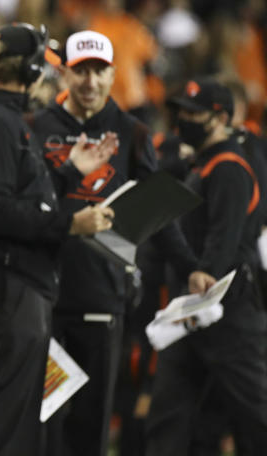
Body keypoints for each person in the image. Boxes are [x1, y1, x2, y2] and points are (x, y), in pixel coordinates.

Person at [31, 30, 213, 456]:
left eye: (99, 71)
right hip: (45, 298)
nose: (90, 82)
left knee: (92, 424)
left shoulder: (132, 134)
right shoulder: (36, 128)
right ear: (64, 74)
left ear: (114, 75)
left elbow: (158, 216)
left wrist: (189, 268)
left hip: (102, 296)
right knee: (46, 421)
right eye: (81, 72)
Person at [0, 23, 116, 456]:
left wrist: (68, 172)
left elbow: (16, 196)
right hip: (6, 281)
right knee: (4, 408)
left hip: (10, 280)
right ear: (34, 68)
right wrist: (70, 225)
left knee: (14, 411)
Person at [145, 78, 267, 455]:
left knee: (255, 408)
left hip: (226, 305)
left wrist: (204, 277)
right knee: (169, 411)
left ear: (221, 118)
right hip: (197, 303)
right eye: (181, 111)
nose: (184, 120)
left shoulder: (229, 166)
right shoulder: (204, 163)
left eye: (194, 113)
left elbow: (223, 241)